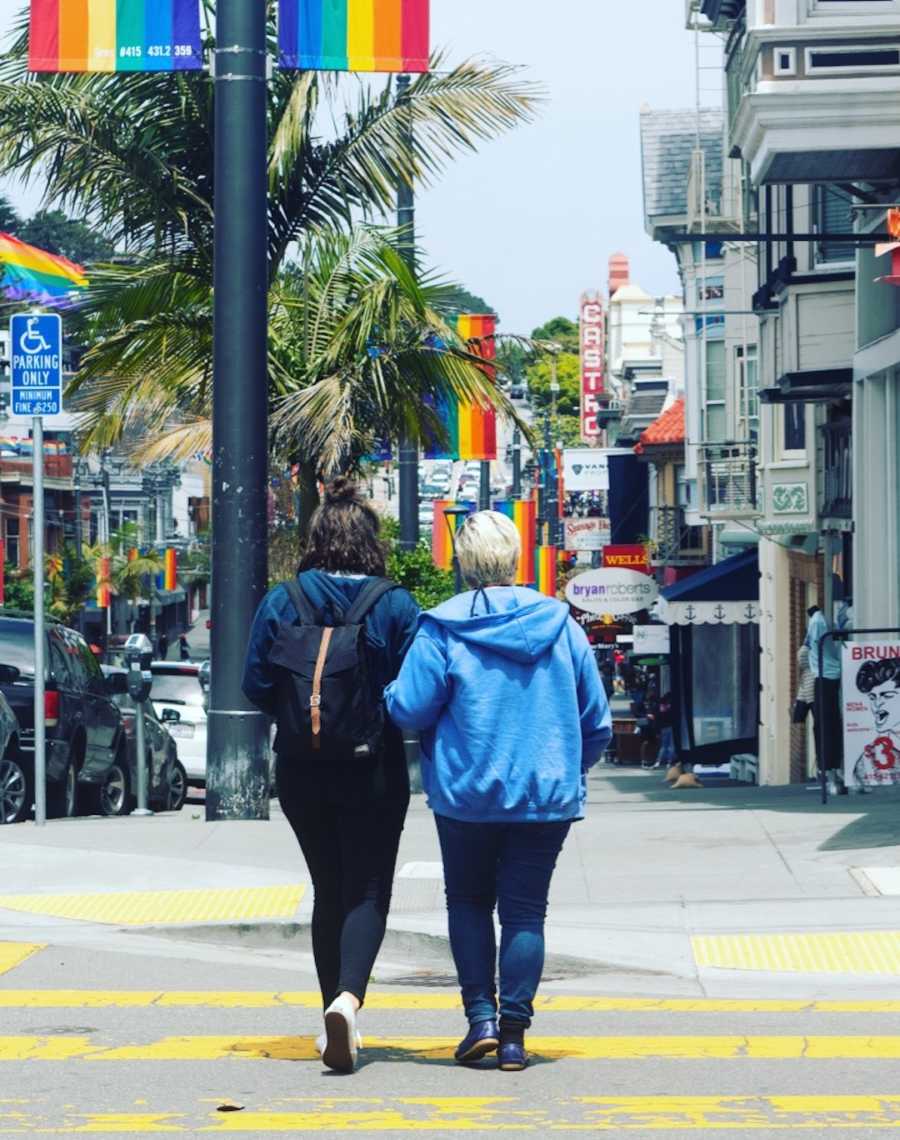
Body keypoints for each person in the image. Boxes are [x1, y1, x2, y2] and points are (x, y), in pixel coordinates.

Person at [385, 511, 611, 1072]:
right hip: (546, 796)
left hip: (466, 795)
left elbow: (409, 709)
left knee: (467, 902)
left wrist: (390, 690)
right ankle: (514, 1036)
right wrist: (568, 769)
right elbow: (597, 722)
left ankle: (480, 1019)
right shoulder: (563, 625)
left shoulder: (441, 628)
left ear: (462, 564)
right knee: (525, 913)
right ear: (515, 558)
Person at [242, 478, 419, 1073]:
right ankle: (347, 1001)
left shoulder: (281, 599)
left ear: (315, 540)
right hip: (373, 768)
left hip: (300, 767)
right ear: (370, 542)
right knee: (368, 889)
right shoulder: (393, 603)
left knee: (328, 887)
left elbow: (255, 685)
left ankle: (329, 1016)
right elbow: (413, 690)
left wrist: (303, 717)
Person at [805, 605, 845, 794]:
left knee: (825, 726)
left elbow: (807, 651)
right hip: (827, 676)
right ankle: (832, 773)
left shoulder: (818, 622)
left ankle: (831, 773)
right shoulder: (822, 621)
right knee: (829, 725)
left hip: (825, 677)